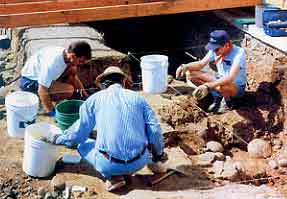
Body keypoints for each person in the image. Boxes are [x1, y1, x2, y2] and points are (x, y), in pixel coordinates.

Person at [43, 66, 165, 191]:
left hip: (108, 165)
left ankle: (113, 178)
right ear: (123, 81)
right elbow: (155, 131)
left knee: (82, 145)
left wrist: (57, 139)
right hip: (140, 162)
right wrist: (159, 155)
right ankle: (139, 167)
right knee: (146, 138)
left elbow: (78, 135)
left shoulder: (93, 100)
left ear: (102, 85)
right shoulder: (139, 99)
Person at [176, 30, 247, 113]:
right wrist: (185, 66)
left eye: (216, 49)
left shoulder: (239, 53)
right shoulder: (216, 49)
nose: (214, 51)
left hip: (235, 87)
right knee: (192, 74)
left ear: (226, 45)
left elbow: (230, 78)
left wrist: (207, 86)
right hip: (220, 79)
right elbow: (201, 64)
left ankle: (228, 102)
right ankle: (217, 97)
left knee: (222, 86)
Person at [20, 41, 92, 116]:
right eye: (80, 61)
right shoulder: (53, 63)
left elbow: (74, 76)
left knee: (72, 71)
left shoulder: (66, 55)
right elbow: (42, 90)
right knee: (69, 90)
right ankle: (42, 102)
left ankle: (71, 96)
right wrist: (52, 112)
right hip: (30, 82)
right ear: (73, 56)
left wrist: (85, 95)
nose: (81, 64)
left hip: (42, 77)